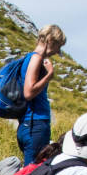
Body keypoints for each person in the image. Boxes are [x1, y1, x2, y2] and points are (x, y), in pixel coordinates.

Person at [16, 25, 66, 164]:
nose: (57, 52)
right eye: (58, 46)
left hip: (31, 124)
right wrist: (49, 75)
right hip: (35, 123)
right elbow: (28, 92)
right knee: (32, 171)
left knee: (33, 168)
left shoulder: (31, 58)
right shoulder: (36, 58)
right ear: (50, 41)